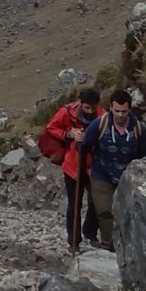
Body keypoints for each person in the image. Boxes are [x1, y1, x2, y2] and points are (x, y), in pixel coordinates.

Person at [77, 88, 146, 250]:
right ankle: (108, 244)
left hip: (127, 178)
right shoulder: (99, 124)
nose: (120, 115)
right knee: (104, 211)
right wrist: (80, 145)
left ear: (130, 109)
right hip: (101, 174)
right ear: (110, 107)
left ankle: (126, 245)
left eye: (124, 111)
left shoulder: (139, 129)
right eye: (116, 111)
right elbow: (85, 146)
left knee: (124, 213)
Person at [41, 88, 103, 254]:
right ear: (81, 103)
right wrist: (68, 134)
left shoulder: (101, 114)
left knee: (96, 201)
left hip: (92, 165)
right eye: (87, 108)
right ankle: (73, 241)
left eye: (93, 108)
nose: (90, 112)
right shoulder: (66, 113)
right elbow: (51, 128)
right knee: (74, 204)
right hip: (72, 165)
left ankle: (90, 233)